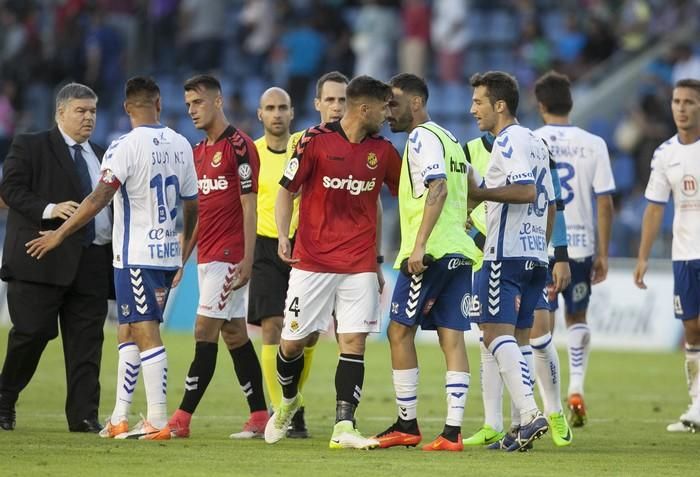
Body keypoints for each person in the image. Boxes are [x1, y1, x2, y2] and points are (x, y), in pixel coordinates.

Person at [26, 76, 199, 440]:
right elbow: (192, 202)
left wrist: (59, 233)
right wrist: (183, 250)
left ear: (125, 107)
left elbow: (97, 198)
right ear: (159, 103)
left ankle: (157, 420)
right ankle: (120, 416)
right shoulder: (182, 143)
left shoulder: (123, 145)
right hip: (166, 253)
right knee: (128, 330)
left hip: (136, 255)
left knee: (145, 332)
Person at [264, 75, 401, 449]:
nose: (388, 114)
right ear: (365, 108)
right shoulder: (313, 142)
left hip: (357, 264)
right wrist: (281, 235)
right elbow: (285, 192)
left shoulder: (384, 151)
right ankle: (289, 402)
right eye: (384, 107)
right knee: (292, 344)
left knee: (353, 341)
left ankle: (344, 426)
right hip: (312, 262)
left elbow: (405, 196)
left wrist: (378, 260)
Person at [372, 73, 478, 452]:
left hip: (429, 254)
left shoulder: (420, 138)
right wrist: (462, 221)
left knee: (398, 332)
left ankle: (406, 424)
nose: (388, 113)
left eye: (394, 104)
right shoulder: (450, 139)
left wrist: (418, 247)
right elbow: (474, 187)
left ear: (416, 103)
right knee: (453, 338)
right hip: (459, 251)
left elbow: (439, 186)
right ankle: (452, 433)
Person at [0, 83, 112, 433]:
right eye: (81, 111)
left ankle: (83, 417)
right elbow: (10, 190)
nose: (88, 117)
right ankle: (4, 400)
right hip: (41, 256)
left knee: (87, 343)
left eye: (92, 111)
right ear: (60, 112)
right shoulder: (31, 145)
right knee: (31, 334)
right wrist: (49, 208)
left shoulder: (103, 153)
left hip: (93, 261)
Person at [168, 74, 268, 439]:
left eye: (198, 102)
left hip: (230, 255)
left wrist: (247, 259)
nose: (192, 110)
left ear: (218, 102)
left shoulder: (240, 147)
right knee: (234, 333)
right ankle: (259, 416)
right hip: (206, 257)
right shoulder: (197, 152)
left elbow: (249, 206)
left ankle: (181, 418)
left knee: (203, 329)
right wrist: (183, 258)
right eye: (189, 104)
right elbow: (199, 214)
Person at [467, 71, 554, 452]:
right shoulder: (536, 140)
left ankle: (531, 413)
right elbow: (549, 202)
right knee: (516, 341)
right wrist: (541, 247)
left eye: (479, 102)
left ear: (499, 105)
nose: (473, 110)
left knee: (491, 333)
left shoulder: (507, 141)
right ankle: (520, 427)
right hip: (534, 254)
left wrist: (480, 192)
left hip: (505, 254)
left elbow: (526, 190)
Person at [534, 70, 615, 428]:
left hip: (543, 245)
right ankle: (576, 387)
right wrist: (603, 252)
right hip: (581, 247)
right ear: (571, 103)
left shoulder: (532, 141)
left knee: (541, 326)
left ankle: (547, 401)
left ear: (540, 105)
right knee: (577, 318)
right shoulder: (593, 143)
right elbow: (605, 202)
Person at [634, 78, 700, 433]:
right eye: (676, 101)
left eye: (689, 102)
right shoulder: (665, 154)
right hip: (684, 254)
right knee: (691, 329)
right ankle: (696, 407)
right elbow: (655, 208)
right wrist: (643, 256)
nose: (681, 108)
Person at [249, 86, 313, 437]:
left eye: (282, 107)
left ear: (292, 113)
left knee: (306, 334)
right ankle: (283, 409)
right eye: (269, 108)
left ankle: (293, 398)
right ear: (260, 114)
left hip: (304, 246)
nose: (276, 114)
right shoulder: (253, 155)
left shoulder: (303, 147)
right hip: (263, 247)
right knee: (272, 326)